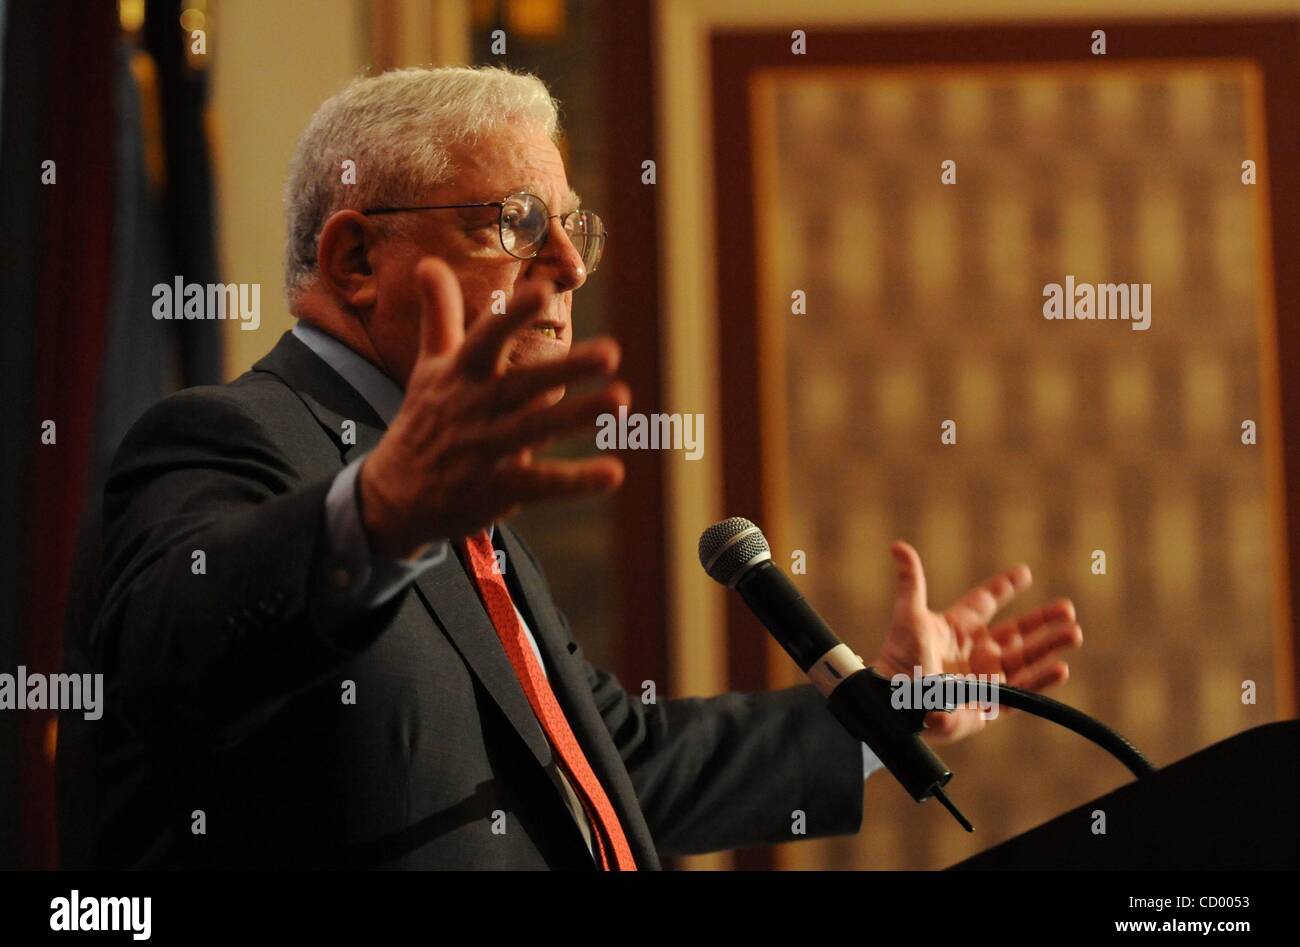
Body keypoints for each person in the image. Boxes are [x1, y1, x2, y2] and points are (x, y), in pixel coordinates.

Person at [57, 66, 1082, 870]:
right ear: (356, 261)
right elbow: (171, 660)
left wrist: (882, 711)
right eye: (513, 223)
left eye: (572, 225)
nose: (571, 266)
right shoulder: (230, 439)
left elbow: (610, 762)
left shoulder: (456, 508)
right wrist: (374, 519)